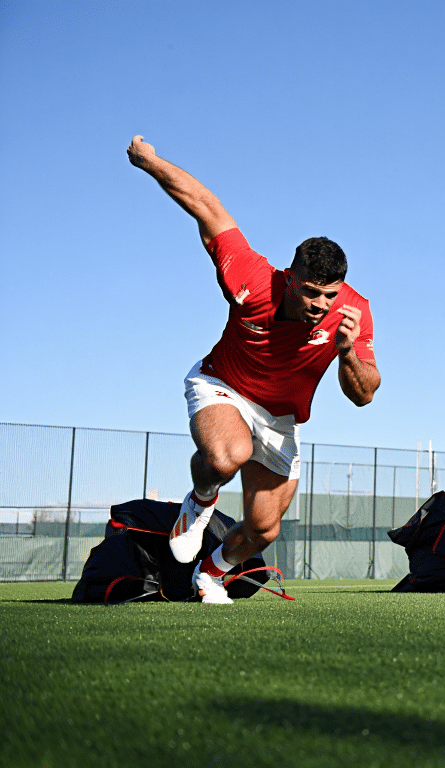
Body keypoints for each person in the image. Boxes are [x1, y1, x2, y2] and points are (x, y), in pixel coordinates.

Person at [127, 136, 380, 604]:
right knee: (228, 455)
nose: (321, 306)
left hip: (281, 418)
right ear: (289, 277)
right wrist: (151, 162)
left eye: (330, 294)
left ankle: (211, 572)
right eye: (310, 293)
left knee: (264, 528)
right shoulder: (250, 278)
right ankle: (200, 500)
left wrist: (347, 353)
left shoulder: (354, 312)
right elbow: (206, 207)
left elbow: (364, 394)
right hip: (222, 385)